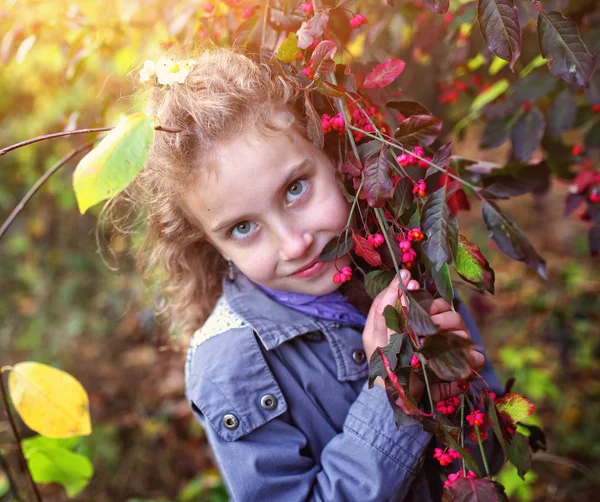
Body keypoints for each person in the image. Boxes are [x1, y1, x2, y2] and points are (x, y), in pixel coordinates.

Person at [126, 47, 504, 501]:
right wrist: (393, 395)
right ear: (211, 243)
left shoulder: (401, 260)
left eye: (295, 189)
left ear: (330, 153)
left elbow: (489, 455)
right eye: (242, 228)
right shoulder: (228, 368)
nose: (293, 244)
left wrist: (455, 389)